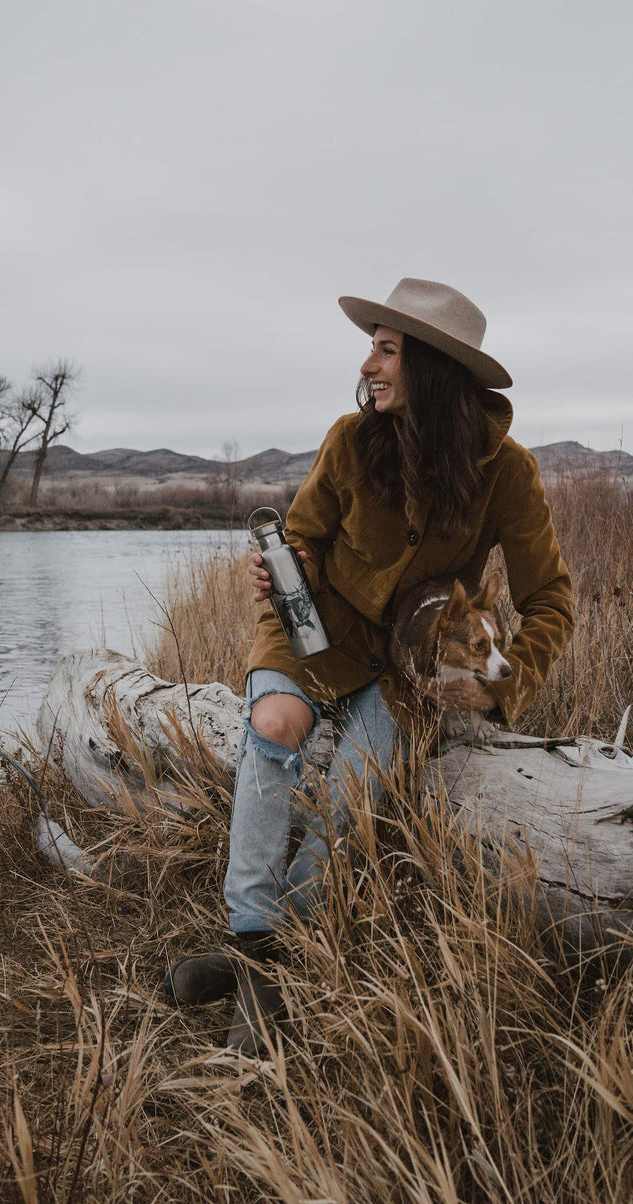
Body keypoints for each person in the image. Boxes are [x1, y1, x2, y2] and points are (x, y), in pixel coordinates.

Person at [165, 278, 574, 1054]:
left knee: (357, 788)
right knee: (274, 722)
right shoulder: (350, 442)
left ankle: (274, 959)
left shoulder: (507, 472)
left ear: (431, 365)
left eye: (387, 350)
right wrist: (276, 567)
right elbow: (306, 537)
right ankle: (254, 938)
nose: (370, 364)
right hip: (311, 627)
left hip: (405, 668)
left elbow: (551, 597)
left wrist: (500, 686)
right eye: (374, 348)